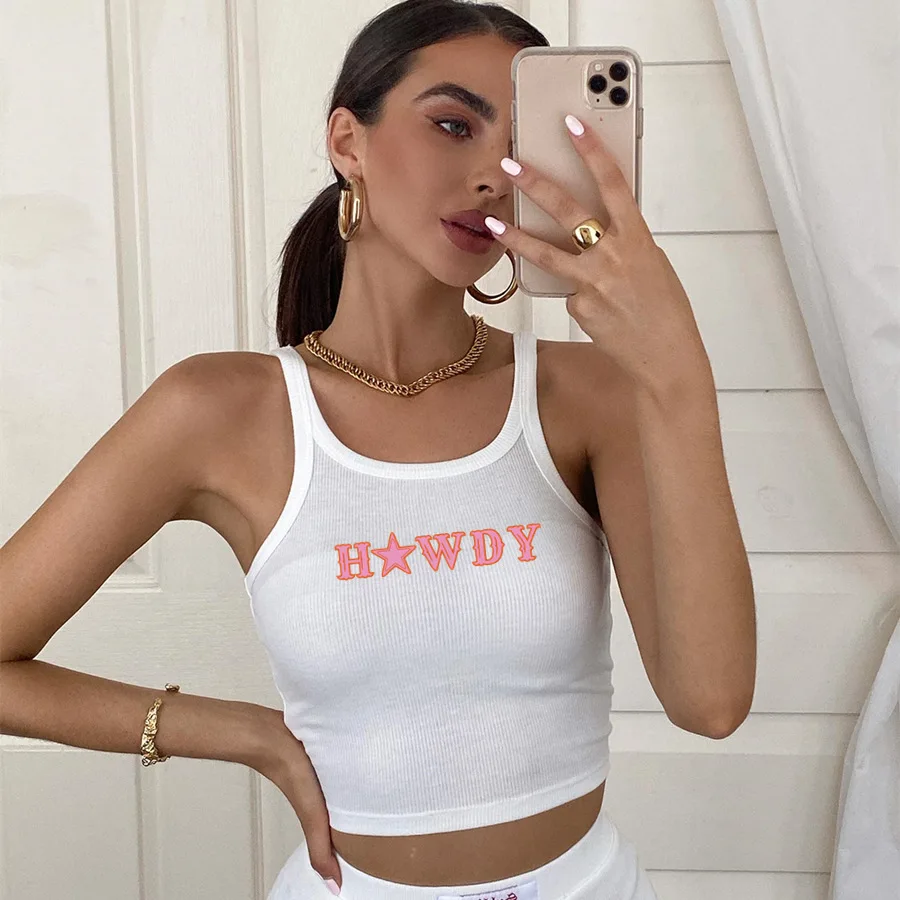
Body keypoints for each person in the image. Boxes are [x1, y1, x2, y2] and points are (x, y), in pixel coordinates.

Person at [1, 1, 756, 898]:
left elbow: (711, 703)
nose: (495, 174)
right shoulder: (216, 412)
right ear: (347, 142)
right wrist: (244, 733)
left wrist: (677, 371)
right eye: (453, 125)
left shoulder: (588, 396)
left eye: (523, 146)